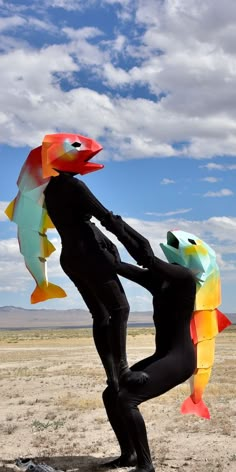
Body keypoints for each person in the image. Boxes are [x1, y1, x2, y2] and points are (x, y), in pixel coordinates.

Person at [100, 215, 197, 472]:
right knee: (112, 394)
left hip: (180, 358)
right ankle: (128, 454)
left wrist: (117, 226)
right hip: (163, 354)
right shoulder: (159, 281)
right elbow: (119, 266)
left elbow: (145, 257)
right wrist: (101, 244)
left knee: (126, 399)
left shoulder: (185, 279)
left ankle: (146, 465)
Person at [44, 173, 147, 393]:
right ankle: (123, 373)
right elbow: (105, 217)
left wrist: (105, 240)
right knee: (120, 308)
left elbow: (81, 222)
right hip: (89, 255)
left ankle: (112, 377)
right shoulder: (74, 185)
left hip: (70, 257)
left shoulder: (49, 189)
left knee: (100, 315)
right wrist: (136, 243)